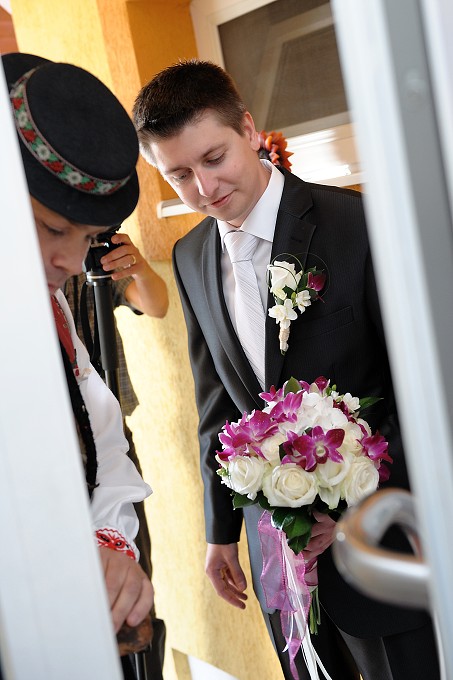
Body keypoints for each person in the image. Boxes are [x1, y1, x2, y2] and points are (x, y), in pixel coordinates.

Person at [132, 59, 440, 680]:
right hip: (279, 555)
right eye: (179, 175)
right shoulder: (192, 256)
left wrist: (358, 504)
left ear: (248, 129)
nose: (203, 188)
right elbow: (217, 402)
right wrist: (221, 531)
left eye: (213, 158)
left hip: (383, 542)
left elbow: (422, 391)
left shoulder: (358, 225)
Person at [2, 51, 154, 677]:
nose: (70, 261)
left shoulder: (50, 308)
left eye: (87, 238)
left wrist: (104, 544)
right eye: (50, 227)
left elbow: (101, 441)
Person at [64, 239, 168, 678]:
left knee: (134, 578)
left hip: (109, 442)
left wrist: (138, 267)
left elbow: (156, 303)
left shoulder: (86, 246)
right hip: (57, 453)